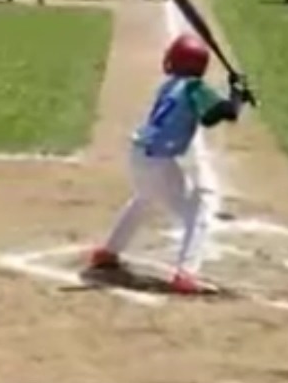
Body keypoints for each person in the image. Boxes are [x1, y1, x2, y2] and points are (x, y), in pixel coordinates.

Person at [83, 34, 252, 294]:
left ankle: (108, 252)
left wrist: (235, 96)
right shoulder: (195, 86)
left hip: (138, 154)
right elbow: (217, 115)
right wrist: (237, 96)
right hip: (158, 160)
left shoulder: (170, 85)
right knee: (197, 213)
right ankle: (187, 274)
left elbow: (218, 111)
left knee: (143, 199)